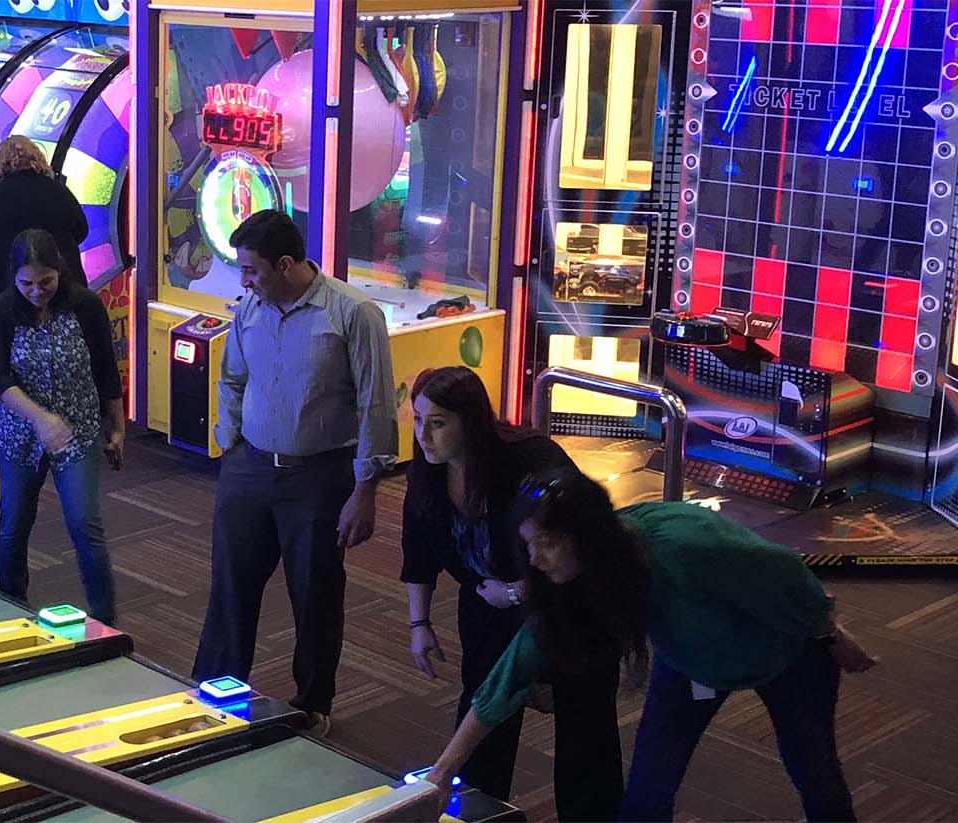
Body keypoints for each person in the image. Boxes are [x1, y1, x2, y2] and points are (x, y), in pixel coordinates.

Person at [422, 469, 877, 821]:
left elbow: (785, 577)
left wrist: (830, 634)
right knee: (647, 793)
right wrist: (441, 774)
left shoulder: (685, 545)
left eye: (546, 543)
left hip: (788, 651)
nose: (534, 560)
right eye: (529, 545)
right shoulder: (572, 582)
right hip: (691, 664)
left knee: (816, 776)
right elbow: (510, 676)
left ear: (587, 535)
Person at [189, 209, 395, 732]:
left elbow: (375, 406)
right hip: (249, 469)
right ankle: (214, 690)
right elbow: (232, 379)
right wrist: (230, 444)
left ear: (285, 264)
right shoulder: (249, 309)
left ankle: (312, 703)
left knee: (315, 593)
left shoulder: (354, 313)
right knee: (230, 586)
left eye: (251, 269)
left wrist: (365, 491)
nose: (243, 280)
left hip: (319, 478)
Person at [399, 366, 620, 820]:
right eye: (418, 420)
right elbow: (417, 549)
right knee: (484, 719)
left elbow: (583, 539)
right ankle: (478, 813)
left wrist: (520, 591)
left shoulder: (528, 460)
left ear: (470, 422)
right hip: (487, 607)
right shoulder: (428, 471)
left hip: (565, 603)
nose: (423, 435)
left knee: (584, 731)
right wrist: (419, 623)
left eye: (437, 423)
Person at [0, 229, 124, 625]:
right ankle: (11, 604)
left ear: (59, 271)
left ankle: (104, 618)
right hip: (20, 432)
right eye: (26, 283)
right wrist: (41, 419)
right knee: (14, 521)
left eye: (45, 281)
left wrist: (118, 428)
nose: (36, 291)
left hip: (77, 429)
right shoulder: (1, 310)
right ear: (14, 278)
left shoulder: (86, 305)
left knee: (84, 522)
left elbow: (105, 370)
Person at [0, 135, 88, 461]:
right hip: (62, 291)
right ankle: (72, 428)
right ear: (38, 160)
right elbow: (81, 231)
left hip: (7, 294)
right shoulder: (58, 192)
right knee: (66, 355)